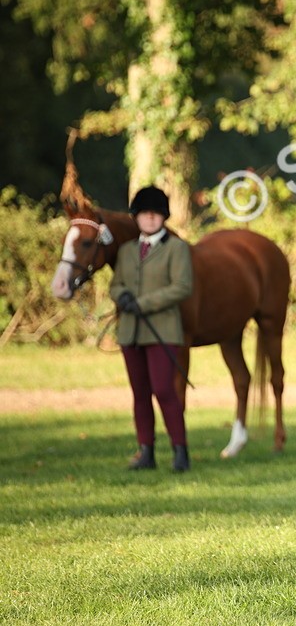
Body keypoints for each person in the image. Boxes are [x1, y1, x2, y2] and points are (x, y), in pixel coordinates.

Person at [108, 186, 194, 471]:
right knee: (139, 392)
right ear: (136, 217)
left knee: (163, 390)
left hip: (162, 330)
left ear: (164, 217)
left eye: (155, 214)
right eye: (145, 213)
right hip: (131, 332)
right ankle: (146, 451)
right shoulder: (126, 251)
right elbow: (116, 282)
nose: (150, 219)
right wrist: (121, 296)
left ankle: (180, 451)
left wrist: (143, 303)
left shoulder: (176, 248)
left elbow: (181, 287)